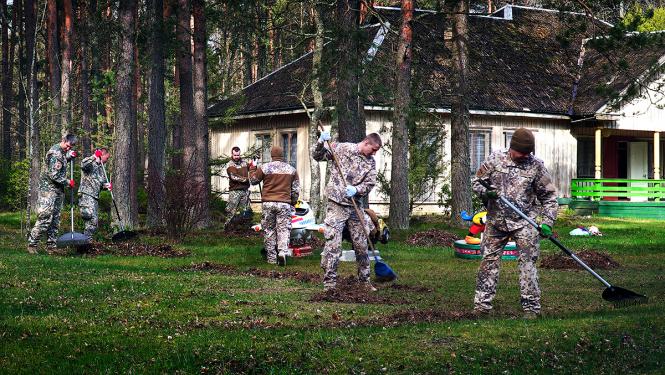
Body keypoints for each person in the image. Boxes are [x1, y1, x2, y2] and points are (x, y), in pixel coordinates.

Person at [471, 127, 558, 319]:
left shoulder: (536, 166)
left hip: (525, 222)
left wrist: (548, 223)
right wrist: (487, 193)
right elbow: (477, 182)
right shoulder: (495, 159)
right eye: (521, 152)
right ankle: (482, 306)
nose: (524, 156)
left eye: (528, 152)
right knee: (488, 262)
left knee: (528, 264)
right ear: (511, 147)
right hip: (496, 221)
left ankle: (531, 308)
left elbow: (549, 198)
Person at [312, 131, 382, 292]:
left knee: (361, 245)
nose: (374, 153)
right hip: (336, 204)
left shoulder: (370, 163)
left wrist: (356, 190)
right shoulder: (342, 148)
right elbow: (318, 156)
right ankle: (329, 283)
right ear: (366, 143)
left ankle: (364, 282)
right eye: (373, 149)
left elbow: (370, 184)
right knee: (333, 244)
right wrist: (321, 142)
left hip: (354, 206)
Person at [27, 134, 78, 254]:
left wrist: (69, 157)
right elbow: (53, 174)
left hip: (58, 190)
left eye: (70, 147)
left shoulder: (62, 152)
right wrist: (67, 182)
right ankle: (32, 244)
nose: (68, 148)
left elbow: (61, 162)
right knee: (45, 217)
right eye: (67, 146)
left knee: (55, 219)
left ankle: (51, 247)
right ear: (63, 140)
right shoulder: (55, 153)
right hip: (48, 190)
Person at [249, 145, 300, 265]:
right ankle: (282, 252)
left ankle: (271, 258)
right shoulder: (291, 170)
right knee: (283, 229)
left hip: (268, 203)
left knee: (269, 230)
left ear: (272, 155)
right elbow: (296, 190)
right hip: (284, 204)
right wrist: (292, 201)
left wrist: (252, 168)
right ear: (283, 155)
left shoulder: (265, 168)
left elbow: (253, 180)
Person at [79, 148, 112, 241]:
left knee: (94, 222)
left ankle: (87, 241)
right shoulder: (89, 162)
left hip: (95, 197)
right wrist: (94, 156)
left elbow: (100, 183)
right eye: (107, 158)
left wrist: (106, 186)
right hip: (86, 195)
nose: (107, 160)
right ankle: (86, 242)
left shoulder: (101, 168)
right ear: (102, 155)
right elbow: (83, 165)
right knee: (90, 219)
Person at [223, 146, 251, 229]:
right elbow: (233, 177)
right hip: (234, 191)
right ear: (232, 154)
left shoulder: (244, 163)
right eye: (235, 155)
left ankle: (245, 228)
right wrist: (246, 179)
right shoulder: (230, 164)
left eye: (238, 155)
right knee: (231, 210)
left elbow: (252, 168)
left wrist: (254, 162)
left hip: (245, 191)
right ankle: (227, 228)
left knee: (245, 210)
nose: (236, 157)